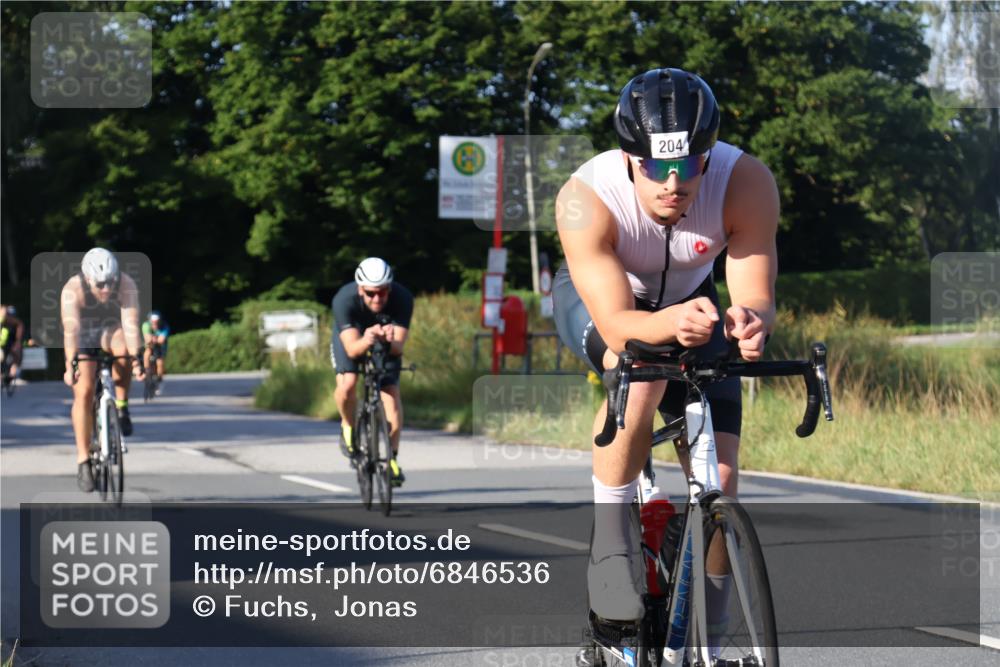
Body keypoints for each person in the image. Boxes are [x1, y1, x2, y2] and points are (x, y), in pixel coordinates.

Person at [553, 68, 778, 626]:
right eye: (655, 166)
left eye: (688, 165)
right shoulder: (586, 197)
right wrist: (670, 322)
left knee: (721, 482)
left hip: (690, 300)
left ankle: (715, 634)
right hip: (605, 303)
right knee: (642, 373)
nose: (672, 182)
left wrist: (750, 323)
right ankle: (610, 553)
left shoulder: (745, 181)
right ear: (630, 156)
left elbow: (754, 297)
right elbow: (615, 325)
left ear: (709, 155)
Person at [61, 247, 145, 492]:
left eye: (111, 282)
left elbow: (131, 326)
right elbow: (71, 332)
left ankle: (121, 405)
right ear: (88, 279)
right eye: (100, 284)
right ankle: (83, 460)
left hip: (111, 330)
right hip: (83, 334)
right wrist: (71, 365)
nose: (107, 288)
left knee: (124, 349)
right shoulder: (72, 290)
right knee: (84, 391)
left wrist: (137, 360)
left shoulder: (126, 284)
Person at [330, 257, 414, 486]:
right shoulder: (344, 300)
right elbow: (352, 349)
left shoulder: (402, 298)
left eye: (383, 292)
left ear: (390, 288)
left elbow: (398, 349)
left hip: (384, 343)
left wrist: (388, 340)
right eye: (370, 293)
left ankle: (392, 460)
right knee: (347, 384)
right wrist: (367, 338)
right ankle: (348, 425)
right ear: (360, 289)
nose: (377, 298)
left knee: (391, 394)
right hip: (354, 337)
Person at [142, 311, 170, 387]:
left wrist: (153, 338)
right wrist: (153, 339)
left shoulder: (164, 326)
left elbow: (161, 340)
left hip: (161, 346)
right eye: (153, 322)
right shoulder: (146, 325)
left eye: (156, 322)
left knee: (159, 362)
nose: (155, 324)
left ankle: (159, 377)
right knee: (147, 353)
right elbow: (147, 339)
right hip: (150, 345)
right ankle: (146, 371)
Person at [0, 304, 25, 384]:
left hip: (11, 345)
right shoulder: (3, 321)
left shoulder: (18, 324)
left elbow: (19, 338)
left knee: (16, 357)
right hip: (3, 345)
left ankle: (11, 376)